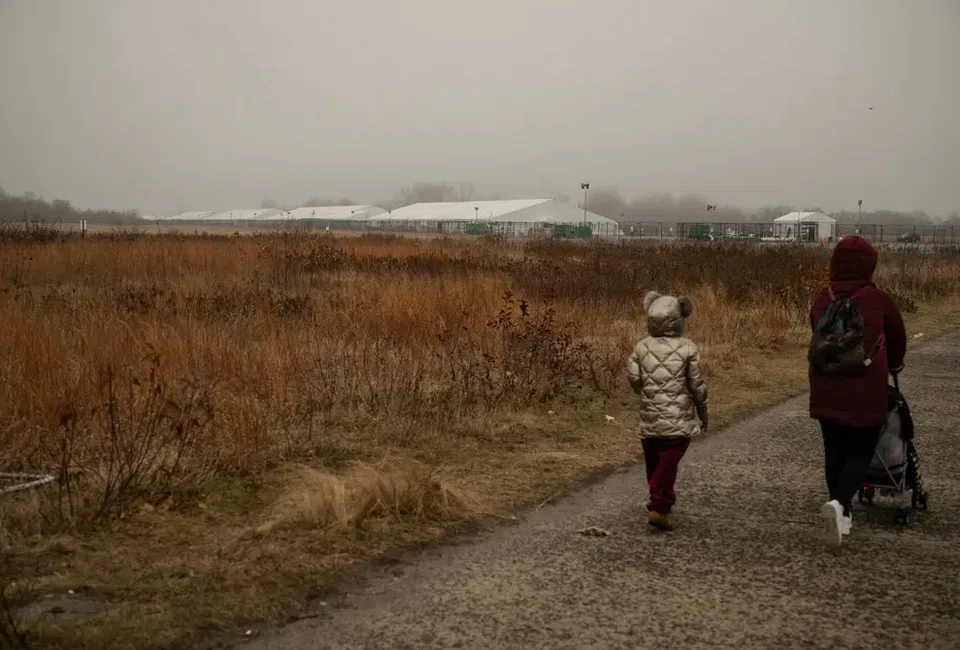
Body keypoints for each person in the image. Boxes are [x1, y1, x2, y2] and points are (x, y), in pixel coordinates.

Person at [808, 235, 906, 547]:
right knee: (860, 452)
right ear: (869, 265)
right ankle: (839, 504)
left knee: (834, 450)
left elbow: (816, 333)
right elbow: (897, 340)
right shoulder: (879, 300)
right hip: (866, 391)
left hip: (825, 388)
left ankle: (842, 514)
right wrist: (895, 364)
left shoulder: (822, 299)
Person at [627, 291, 708, 531]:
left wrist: (644, 388)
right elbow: (696, 384)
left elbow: (634, 378)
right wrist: (702, 410)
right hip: (678, 421)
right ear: (680, 318)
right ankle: (659, 506)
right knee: (668, 461)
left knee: (653, 461)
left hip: (650, 418)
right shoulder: (688, 348)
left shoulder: (641, 347)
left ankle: (658, 497)